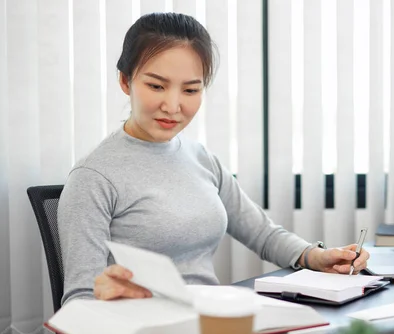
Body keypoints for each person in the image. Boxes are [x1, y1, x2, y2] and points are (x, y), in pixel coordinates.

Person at [57, 12, 370, 305]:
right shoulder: (94, 176)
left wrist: (316, 257)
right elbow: (79, 299)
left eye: (190, 90)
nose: (173, 105)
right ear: (126, 81)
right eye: (156, 86)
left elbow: (262, 233)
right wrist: (110, 303)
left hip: (211, 319)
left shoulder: (200, 158)